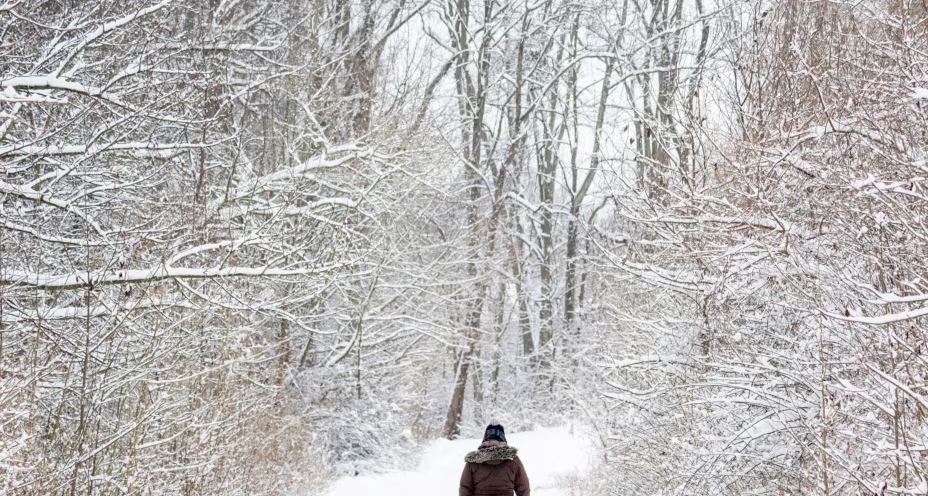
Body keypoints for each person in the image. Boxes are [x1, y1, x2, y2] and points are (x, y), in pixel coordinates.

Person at [459, 423, 530, 496]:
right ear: (503, 438)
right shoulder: (513, 459)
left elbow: (465, 488)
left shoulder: (473, 460)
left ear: (485, 437)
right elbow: (524, 487)